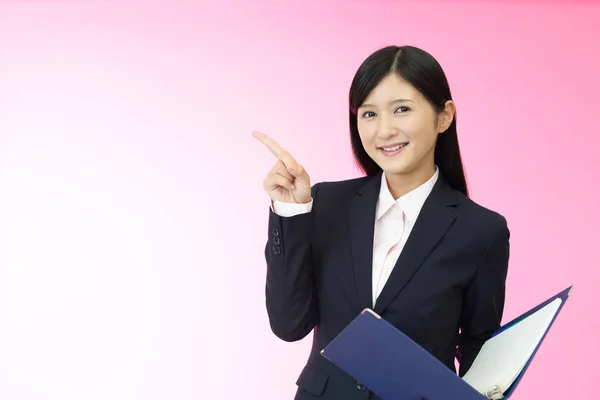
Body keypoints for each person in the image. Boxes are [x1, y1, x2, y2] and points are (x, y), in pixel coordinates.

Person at [252, 45, 510, 400]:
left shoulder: (481, 231)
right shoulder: (326, 204)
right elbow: (289, 325)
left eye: (401, 109)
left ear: (444, 116)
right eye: (369, 114)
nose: (384, 130)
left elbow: (477, 353)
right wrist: (292, 213)